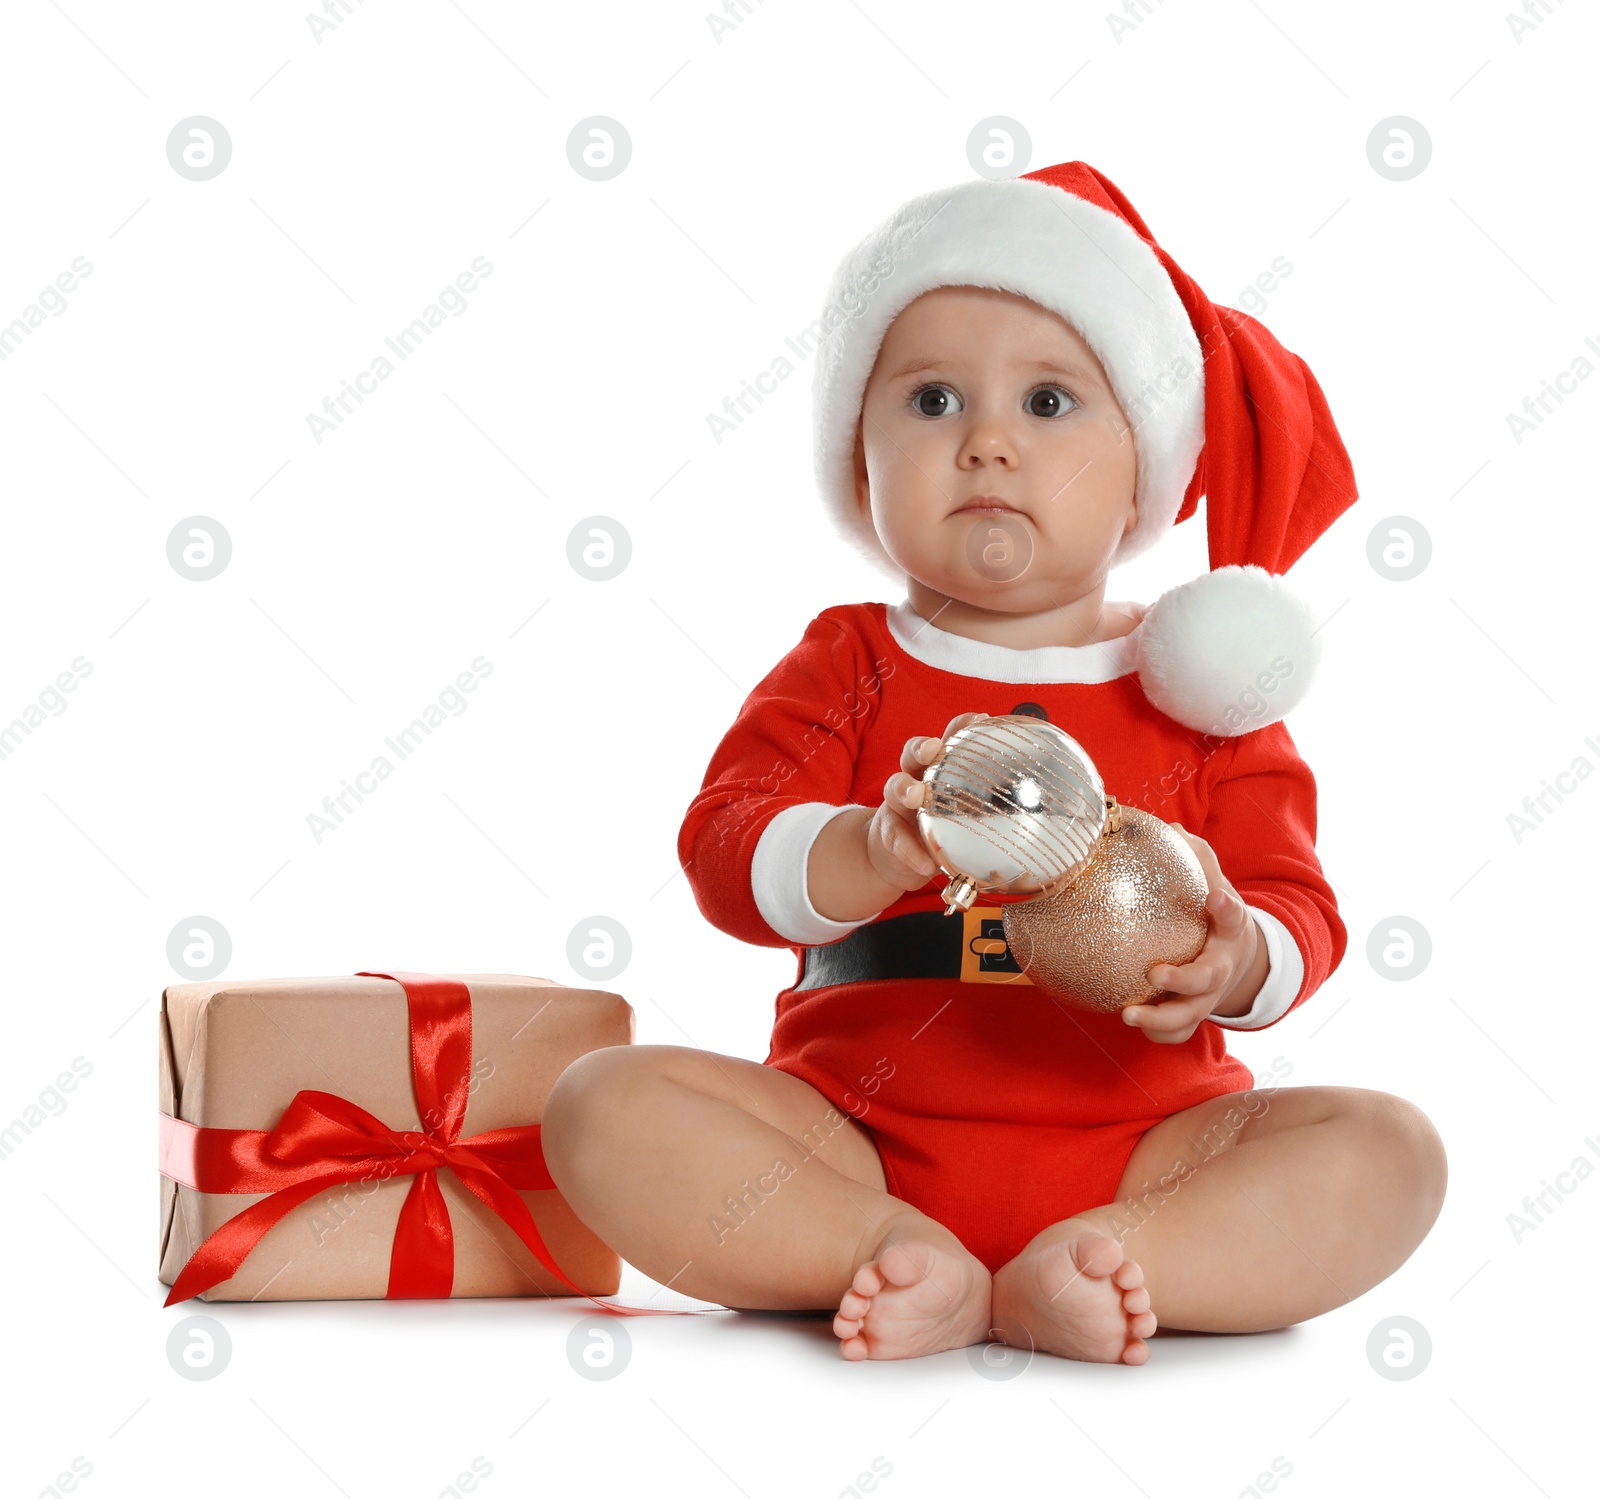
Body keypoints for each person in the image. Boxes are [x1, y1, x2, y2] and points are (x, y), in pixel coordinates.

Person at [542, 161, 1447, 1364]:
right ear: (857, 463)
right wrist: (869, 845)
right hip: (848, 1129)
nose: (984, 444)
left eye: (1051, 403)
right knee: (600, 1102)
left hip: (1142, 1143)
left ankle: (1113, 1258)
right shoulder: (850, 658)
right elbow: (723, 843)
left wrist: (1239, 952)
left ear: (1148, 469)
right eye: (928, 402)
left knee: (1389, 1150)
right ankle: (883, 1247)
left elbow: (1297, 905)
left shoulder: (1201, 692)